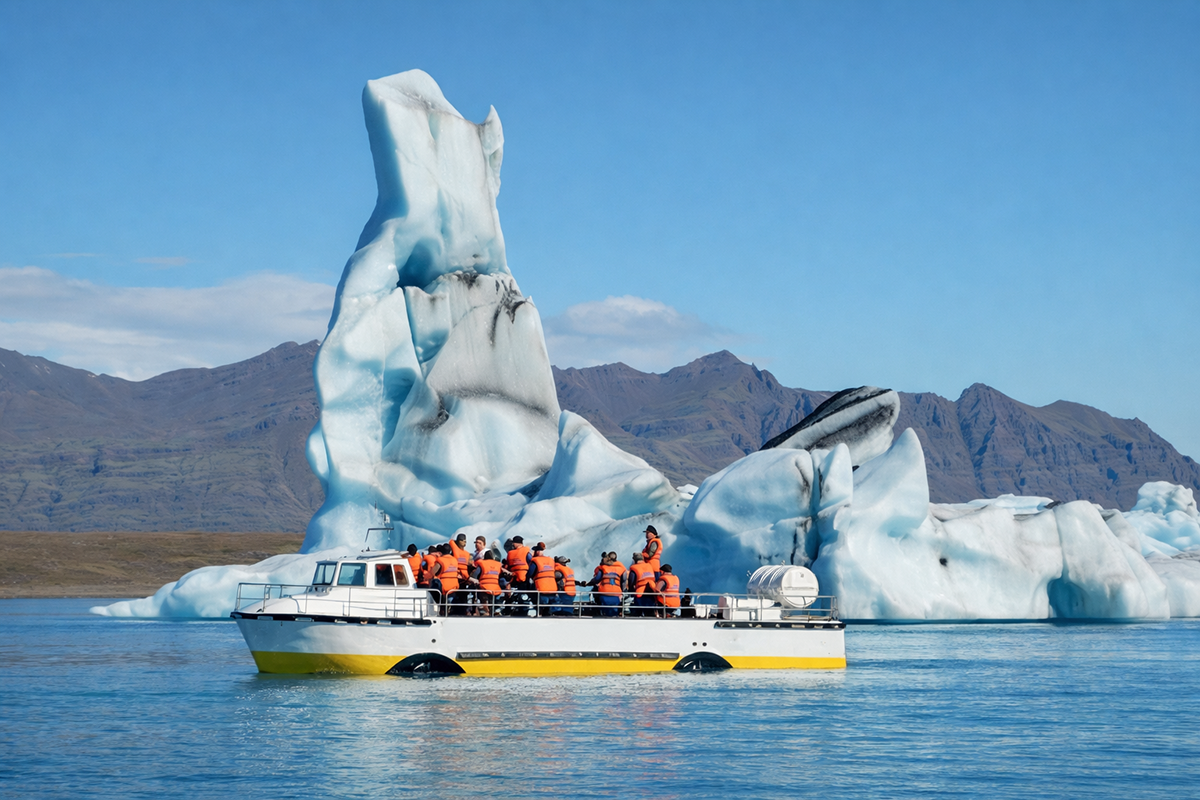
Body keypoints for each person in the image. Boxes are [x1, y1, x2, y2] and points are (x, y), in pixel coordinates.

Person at [472, 549, 504, 616]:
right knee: (494, 599)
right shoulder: (498, 564)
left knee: (480, 595)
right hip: (495, 587)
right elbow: (501, 575)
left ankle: (484, 610)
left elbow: (475, 575)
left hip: (484, 587)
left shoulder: (482, 563)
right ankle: (495, 610)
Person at [528, 543, 558, 616]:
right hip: (552, 586)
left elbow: (530, 573)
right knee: (548, 608)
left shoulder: (536, 561)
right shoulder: (551, 560)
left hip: (542, 587)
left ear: (537, 551)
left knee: (540, 606)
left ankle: (539, 616)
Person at [433, 544, 461, 614]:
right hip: (454, 586)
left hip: (444, 586)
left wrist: (425, 576)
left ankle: (442, 610)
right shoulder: (454, 560)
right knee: (450, 599)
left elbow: (432, 573)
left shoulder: (440, 560)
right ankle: (448, 608)